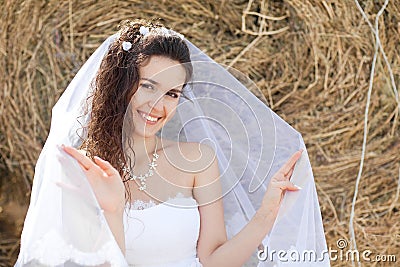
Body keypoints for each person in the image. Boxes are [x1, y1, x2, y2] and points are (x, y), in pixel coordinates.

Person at [16, 19, 328, 267]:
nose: (158, 105)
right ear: (120, 85)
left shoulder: (198, 159)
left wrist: (266, 214)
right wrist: (112, 210)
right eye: (148, 86)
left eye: (172, 94)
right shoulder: (83, 169)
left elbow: (213, 259)